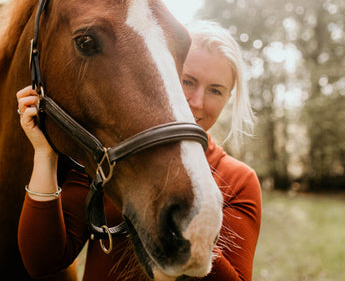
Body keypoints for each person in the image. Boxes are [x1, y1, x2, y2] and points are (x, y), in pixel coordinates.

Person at [17, 20, 261, 281]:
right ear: (164, 74)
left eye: (216, 90)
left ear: (227, 98)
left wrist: (192, 236)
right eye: (188, 81)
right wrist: (45, 154)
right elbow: (44, 261)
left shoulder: (238, 180)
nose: (198, 102)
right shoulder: (108, 156)